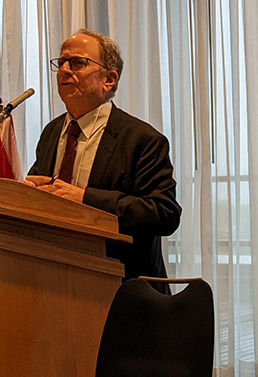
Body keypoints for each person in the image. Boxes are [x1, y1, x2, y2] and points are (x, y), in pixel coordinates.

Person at [25, 29, 181, 293]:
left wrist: (85, 199)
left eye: (77, 63)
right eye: (61, 62)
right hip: (56, 282)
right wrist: (27, 194)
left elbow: (164, 213)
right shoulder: (52, 133)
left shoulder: (143, 139)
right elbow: (47, 192)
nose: (64, 70)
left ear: (109, 79)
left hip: (125, 291)